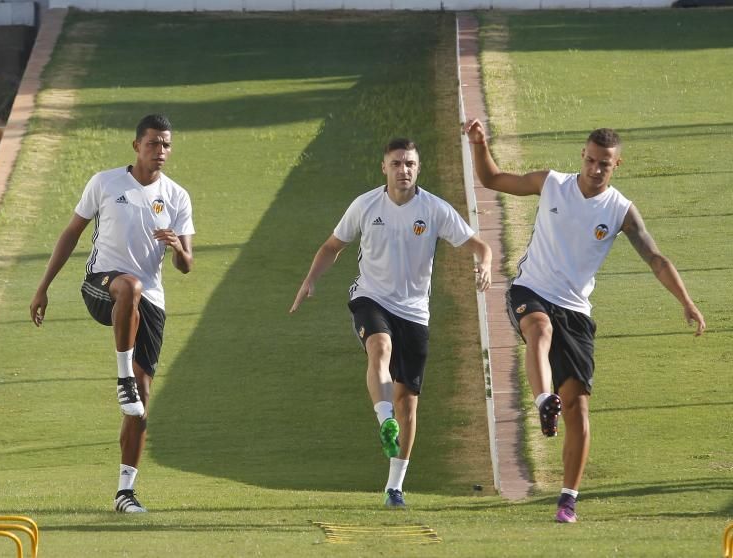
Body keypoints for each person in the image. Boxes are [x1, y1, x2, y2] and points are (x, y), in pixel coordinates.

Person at [463, 119, 706, 523]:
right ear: (582, 155)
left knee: (578, 408)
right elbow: (492, 179)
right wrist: (478, 143)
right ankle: (544, 400)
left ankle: (567, 500)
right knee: (538, 330)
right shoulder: (552, 183)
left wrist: (686, 301)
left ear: (617, 165)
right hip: (531, 289)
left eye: (604, 164)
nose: (595, 169)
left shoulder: (620, 211)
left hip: (576, 310)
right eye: (591, 160)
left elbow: (656, 259)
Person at [290, 137, 492, 509]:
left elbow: (479, 245)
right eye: (397, 164)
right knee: (379, 347)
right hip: (371, 297)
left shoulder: (434, 210)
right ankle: (384, 419)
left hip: (415, 312)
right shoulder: (366, 205)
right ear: (384, 167)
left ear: (419, 168)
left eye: (410, 164)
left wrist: (486, 262)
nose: (404, 170)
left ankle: (394, 487)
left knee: (408, 403)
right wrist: (310, 280)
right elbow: (332, 246)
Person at [30, 114, 194, 514]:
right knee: (128, 287)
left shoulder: (177, 196)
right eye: (154, 143)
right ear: (136, 145)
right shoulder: (105, 183)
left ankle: (125, 492)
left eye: (167, 145)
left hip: (150, 302)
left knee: (142, 401)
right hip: (102, 284)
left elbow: (187, 265)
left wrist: (177, 247)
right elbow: (71, 232)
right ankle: (121, 375)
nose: (161, 151)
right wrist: (43, 286)